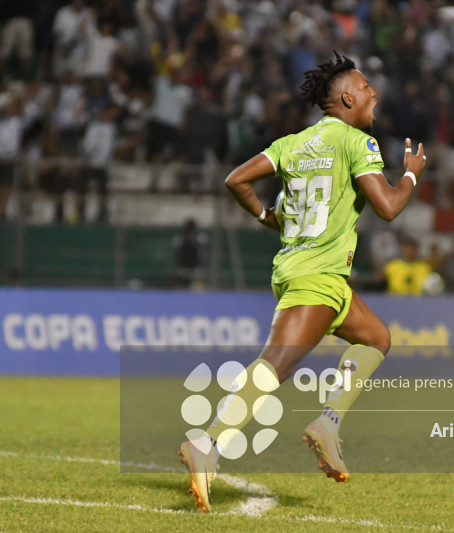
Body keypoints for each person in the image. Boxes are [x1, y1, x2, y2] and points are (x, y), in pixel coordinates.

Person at [178, 52, 426, 512]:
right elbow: (388, 207)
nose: (373, 92)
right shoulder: (357, 142)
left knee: (376, 337)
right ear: (347, 97)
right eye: (367, 86)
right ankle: (208, 443)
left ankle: (328, 423)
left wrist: (267, 217)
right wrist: (411, 174)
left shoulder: (294, 143)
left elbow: (237, 180)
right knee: (275, 365)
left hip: (304, 270)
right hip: (319, 275)